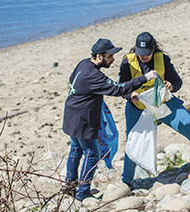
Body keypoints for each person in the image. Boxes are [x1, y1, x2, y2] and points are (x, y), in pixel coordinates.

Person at [119, 32, 190, 188]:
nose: (143, 57)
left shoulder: (162, 59)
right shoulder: (128, 62)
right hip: (137, 106)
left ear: (153, 49)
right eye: (140, 54)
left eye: (146, 54)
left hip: (162, 102)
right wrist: (130, 95)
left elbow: (177, 82)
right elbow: (121, 87)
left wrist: (171, 86)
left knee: (188, 123)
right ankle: (127, 181)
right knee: (134, 141)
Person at [62, 38, 157, 201]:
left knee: (76, 149)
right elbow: (118, 89)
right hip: (82, 119)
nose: (112, 59)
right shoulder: (93, 75)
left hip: (71, 113)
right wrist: (145, 77)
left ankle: (69, 186)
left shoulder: (83, 63)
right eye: (109, 56)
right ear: (99, 57)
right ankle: (83, 191)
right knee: (92, 153)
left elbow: (72, 79)